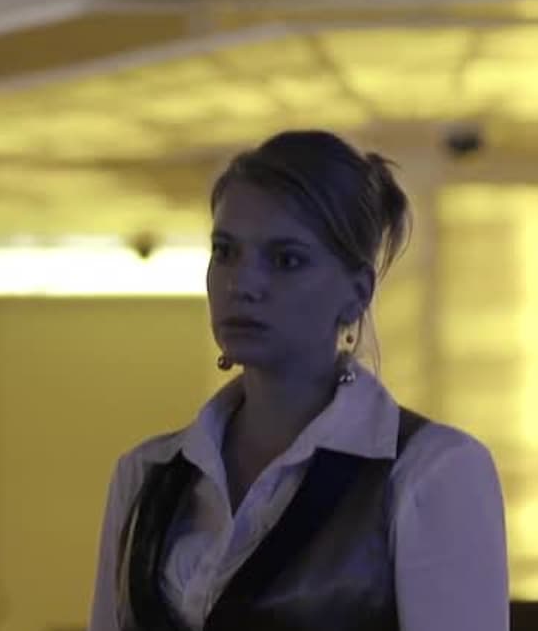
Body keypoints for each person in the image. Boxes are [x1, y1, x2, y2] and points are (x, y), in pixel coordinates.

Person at [88, 131, 509, 631]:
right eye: (225, 251)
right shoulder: (147, 474)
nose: (242, 283)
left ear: (356, 292)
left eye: (286, 259)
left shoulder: (431, 472)